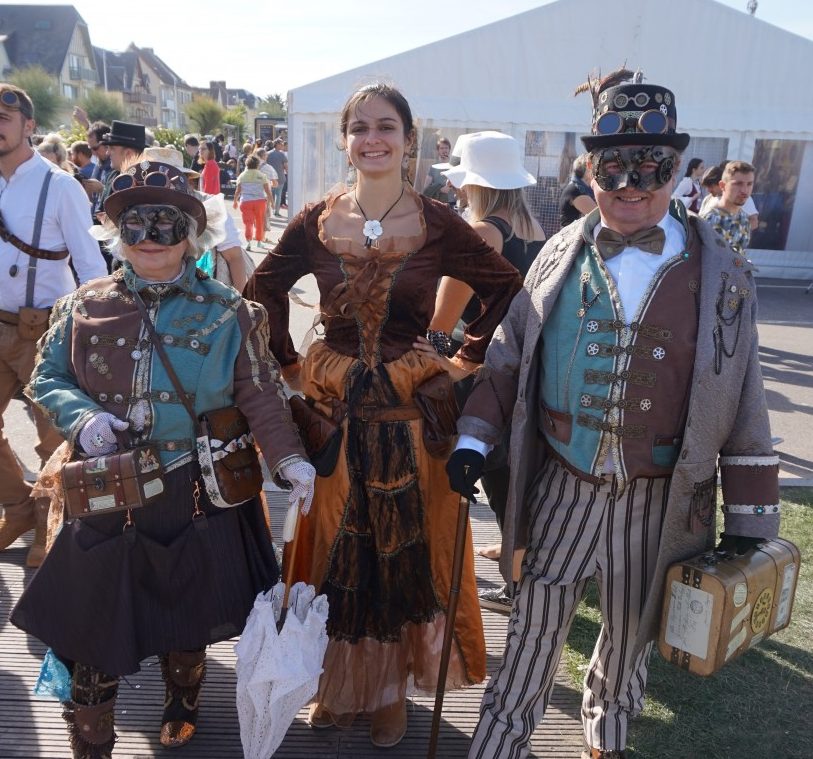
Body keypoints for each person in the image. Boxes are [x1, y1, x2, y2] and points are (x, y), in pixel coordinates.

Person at [449, 70, 779, 759]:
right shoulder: (554, 258)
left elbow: (744, 391)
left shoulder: (723, 274)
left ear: (676, 170)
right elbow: (507, 356)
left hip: (662, 498)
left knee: (629, 635)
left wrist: (749, 517)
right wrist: (474, 440)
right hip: (561, 486)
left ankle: (607, 735)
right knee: (534, 626)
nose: (629, 183)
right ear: (588, 169)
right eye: (611, 166)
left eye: (650, 166)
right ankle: (498, 743)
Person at [245, 82, 522, 749]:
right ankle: (341, 684)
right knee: (337, 550)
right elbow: (261, 292)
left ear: (408, 139)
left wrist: (460, 356)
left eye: (386, 127)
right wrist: (288, 367)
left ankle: (391, 689)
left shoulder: (435, 221)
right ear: (345, 140)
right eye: (360, 127)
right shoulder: (314, 220)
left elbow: (504, 286)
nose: (372, 138)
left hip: (408, 412)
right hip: (334, 410)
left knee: (404, 552)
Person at [10, 156, 315, 758]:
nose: (149, 239)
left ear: (192, 235)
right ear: (117, 235)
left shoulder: (231, 311)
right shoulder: (80, 306)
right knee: (91, 628)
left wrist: (288, 461)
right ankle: (92, 743)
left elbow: (259, 392)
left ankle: (184, 696)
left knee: (186, 611)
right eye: (135, 226)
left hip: (194, 486)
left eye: (167, 226)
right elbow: (46, 377)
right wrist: (84, 418)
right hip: (104, 486)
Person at [421, 130, 546, 613]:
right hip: (523, 369)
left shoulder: (480, 233)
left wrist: (429, 358)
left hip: (478, 370)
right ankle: (520, 557)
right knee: (516, 473)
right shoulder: (533, 230)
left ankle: (515, 585)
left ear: (472, 182)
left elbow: (441, 322)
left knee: (488, 473)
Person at [0, 84, 108, 569]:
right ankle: (19, 510)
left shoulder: (60, 186)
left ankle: (50, 526)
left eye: (6, 115)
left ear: (29, 125)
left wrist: (96, 332)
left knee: (55, 436)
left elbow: (90, 267)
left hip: (45, 332)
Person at [701, 160, 755, 255]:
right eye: (738, 184)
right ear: (722, 185)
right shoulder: (709, 220)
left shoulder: (744, 219)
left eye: (749, 184)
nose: (745, 190)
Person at [234, 154, 274, 251]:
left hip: (246, 201)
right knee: (260, 221)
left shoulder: (242, 176)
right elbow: (268, 191)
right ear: (257, 165)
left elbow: (238, 190)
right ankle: (259, 241)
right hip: (260, 202)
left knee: (248, 222)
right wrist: (272, 201)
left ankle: (248, 242)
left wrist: (235, 200)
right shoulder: (261, 176)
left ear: (247, 165)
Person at [558, 153, 597, 228]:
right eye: (593, 167)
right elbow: (598, 218)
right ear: (587, 169)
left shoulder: (580, 188)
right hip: (571, 237)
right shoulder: (576, 190)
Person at [423, 136, 456, 205]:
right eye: (442, 148)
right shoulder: (434, 167)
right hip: (438, 202)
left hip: (453, 202)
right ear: (438, 150)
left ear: (449, 149)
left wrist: (450, 187)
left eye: (446, 148)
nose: (444, 150)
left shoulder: (454, 166)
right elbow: (426, 187)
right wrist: (439, 189)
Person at [265, 138, 287, 216]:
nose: (282, 146)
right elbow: (285, 166)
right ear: (277, 145)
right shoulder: (282, 154)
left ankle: (268, 212)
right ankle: (276, 211)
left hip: (269, 178)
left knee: (269, 195)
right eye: (281, 144)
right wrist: (288, 174)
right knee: (278, 195)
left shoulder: (267, 154)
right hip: (280, 178)